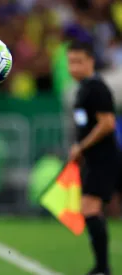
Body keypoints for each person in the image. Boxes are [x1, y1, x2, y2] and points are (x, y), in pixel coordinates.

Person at [67, 41, 118, 275]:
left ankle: (102, 268)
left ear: (91, 62)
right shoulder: (83, 88)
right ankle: (101, 267)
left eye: (79, 61)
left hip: (104, 159)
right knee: (90, 209)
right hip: (94, 159)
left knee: (89, 208)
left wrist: (81, 146)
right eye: (70, 62)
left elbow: (107, 123)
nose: (73, 67)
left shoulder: (96, 88)